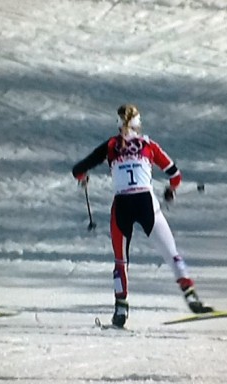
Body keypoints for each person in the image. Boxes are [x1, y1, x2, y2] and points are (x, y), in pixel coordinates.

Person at [72, 104, 213, 328]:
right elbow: (175, 175)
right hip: (146, 203)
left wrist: (83, 179)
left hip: (122, 205)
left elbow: (78, 169)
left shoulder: (110, 146)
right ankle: (191, 296)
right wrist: (170, 191)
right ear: (139, 124)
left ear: (118, 124)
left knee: (121, 261)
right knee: (171, 253)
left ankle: (120, 310)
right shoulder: (148, 144)